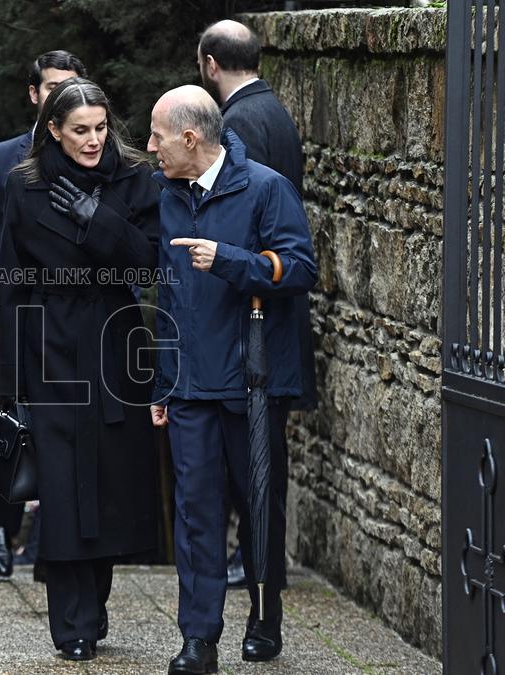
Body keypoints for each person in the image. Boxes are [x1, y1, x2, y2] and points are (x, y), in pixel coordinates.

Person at [146, 85, 317, 673]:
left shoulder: (267, 188)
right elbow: (168, 299)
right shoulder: (167, 196)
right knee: (196, 513)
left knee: (258, 505)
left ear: (190, 138)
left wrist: (229, 259)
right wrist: (163, 383)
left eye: (158, 137)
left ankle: (265, 615)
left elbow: (300, 268)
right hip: (190, 387)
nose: (151, 148)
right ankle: (199, 639)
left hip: (252, 384)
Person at [0, 77, 159, 661]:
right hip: (50, 345)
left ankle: (95, 603)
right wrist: (9, 380)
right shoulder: (24, 184)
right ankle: (71, 622)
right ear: (54, 130)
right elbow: (9, 279)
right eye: (80, 130)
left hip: (113, 343)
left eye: (101, 128)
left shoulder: (133, 178)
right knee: (60, 486)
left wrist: (97, 220)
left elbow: (150, 263)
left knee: (107, 479)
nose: (93, 140)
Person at [197, 18, 319, 591]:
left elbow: (252, 219)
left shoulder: (238, 122)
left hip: (256, 311)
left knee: (257, 457)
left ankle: (260, 563)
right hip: (266, 300)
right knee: (262, 453)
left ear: (210, 65)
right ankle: (259, 559)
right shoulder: (275, 111)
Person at [0, 49, 86, 578]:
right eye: (53, 87)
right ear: (35, 94)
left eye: (71, 86)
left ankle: (47, 540)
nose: (62, 95)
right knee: (13, 422)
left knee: (66, 425)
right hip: (13, 311)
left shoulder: (90, 151)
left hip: (70, 315)